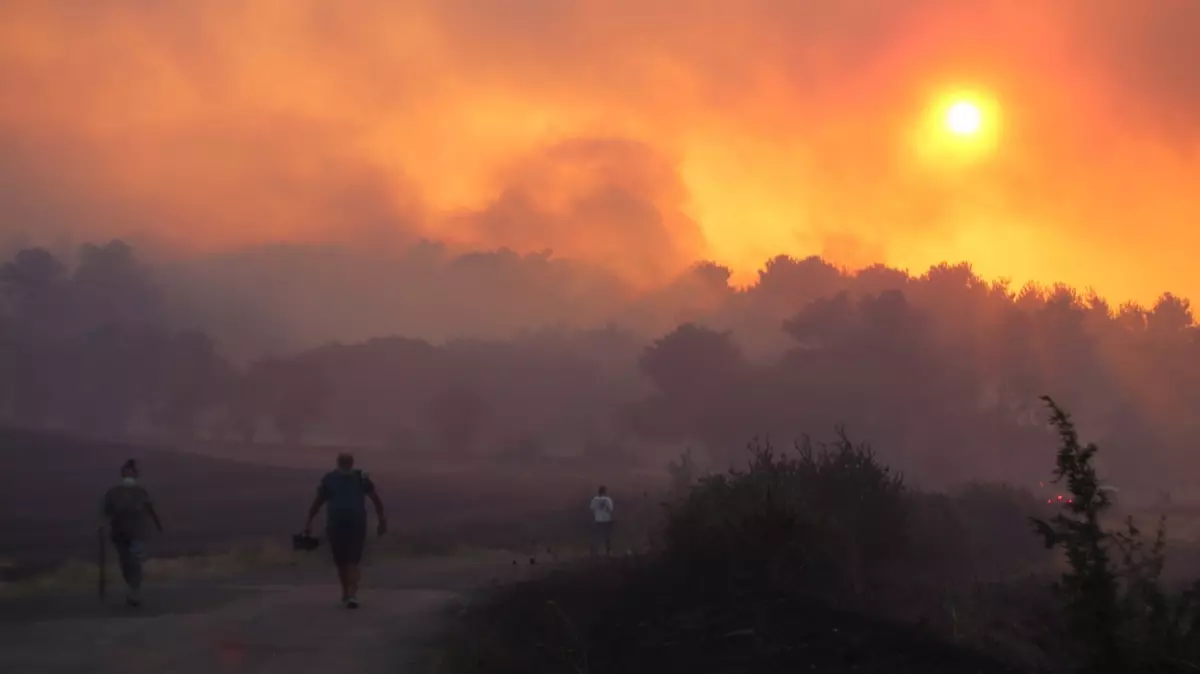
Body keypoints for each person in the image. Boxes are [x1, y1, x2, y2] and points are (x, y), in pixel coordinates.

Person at [303, 452, 387, 609]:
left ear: (338, 463)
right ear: (351, 463)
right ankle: (349, 594)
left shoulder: (334, 479)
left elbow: (317, 503)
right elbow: (377, 501)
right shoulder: (359, 478)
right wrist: (382, 520)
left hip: (338, 524)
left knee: (345, 561)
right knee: (349, 561)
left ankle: (350, 593)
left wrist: (309, 521)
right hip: (353, 523)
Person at [100, 459, 163, 607]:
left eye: (131, 471)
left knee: (134, 562)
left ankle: (135, 592)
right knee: (125, 563)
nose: (129, 473)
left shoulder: (141, 492)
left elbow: (150, 509)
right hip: (120, 534)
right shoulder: (113, 493)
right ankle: (133, 588)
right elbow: (105, 511)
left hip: (137, 533)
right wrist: (101, 525)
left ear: (135, 474)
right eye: (126, 470)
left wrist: (157, 524)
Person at [589, 485, 614, 557]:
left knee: (597, 537)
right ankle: (608, 552)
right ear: (605, 492)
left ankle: (595, 552)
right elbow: (611, 509)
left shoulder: (595, 499)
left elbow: (592, 509)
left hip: (598, 520)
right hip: (607, 520)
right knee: (607, 537)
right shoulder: (608, 499)